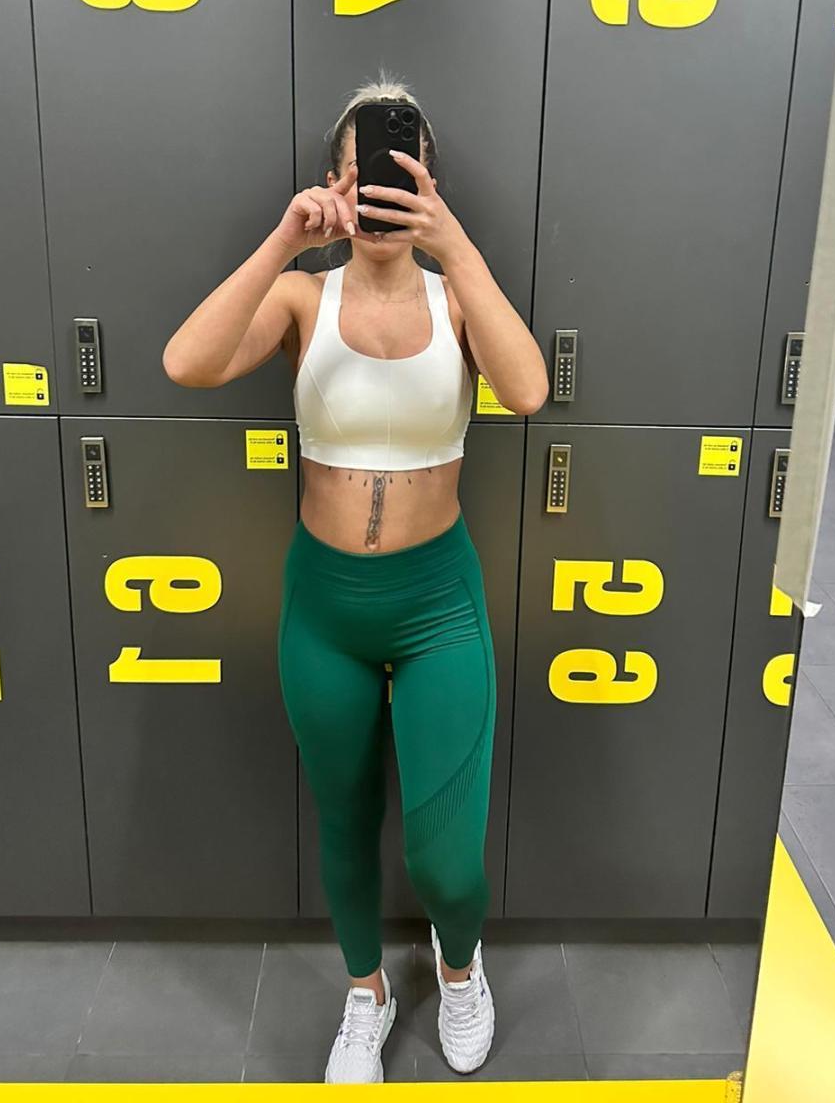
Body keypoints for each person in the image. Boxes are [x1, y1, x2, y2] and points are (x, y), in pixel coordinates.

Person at [162, 72, 550, 1084]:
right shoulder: (303, 296)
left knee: (443, 856)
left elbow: (527, 390)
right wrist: (283, 243)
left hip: (437, 607)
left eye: (396, 173)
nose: (374, 192)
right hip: (325, 609)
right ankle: (365, 994)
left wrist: (455, 246)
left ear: (427, 183)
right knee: (342, 816)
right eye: (357, 172)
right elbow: (187, 364)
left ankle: (458, 969)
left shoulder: (456, 298)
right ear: (332, 183)